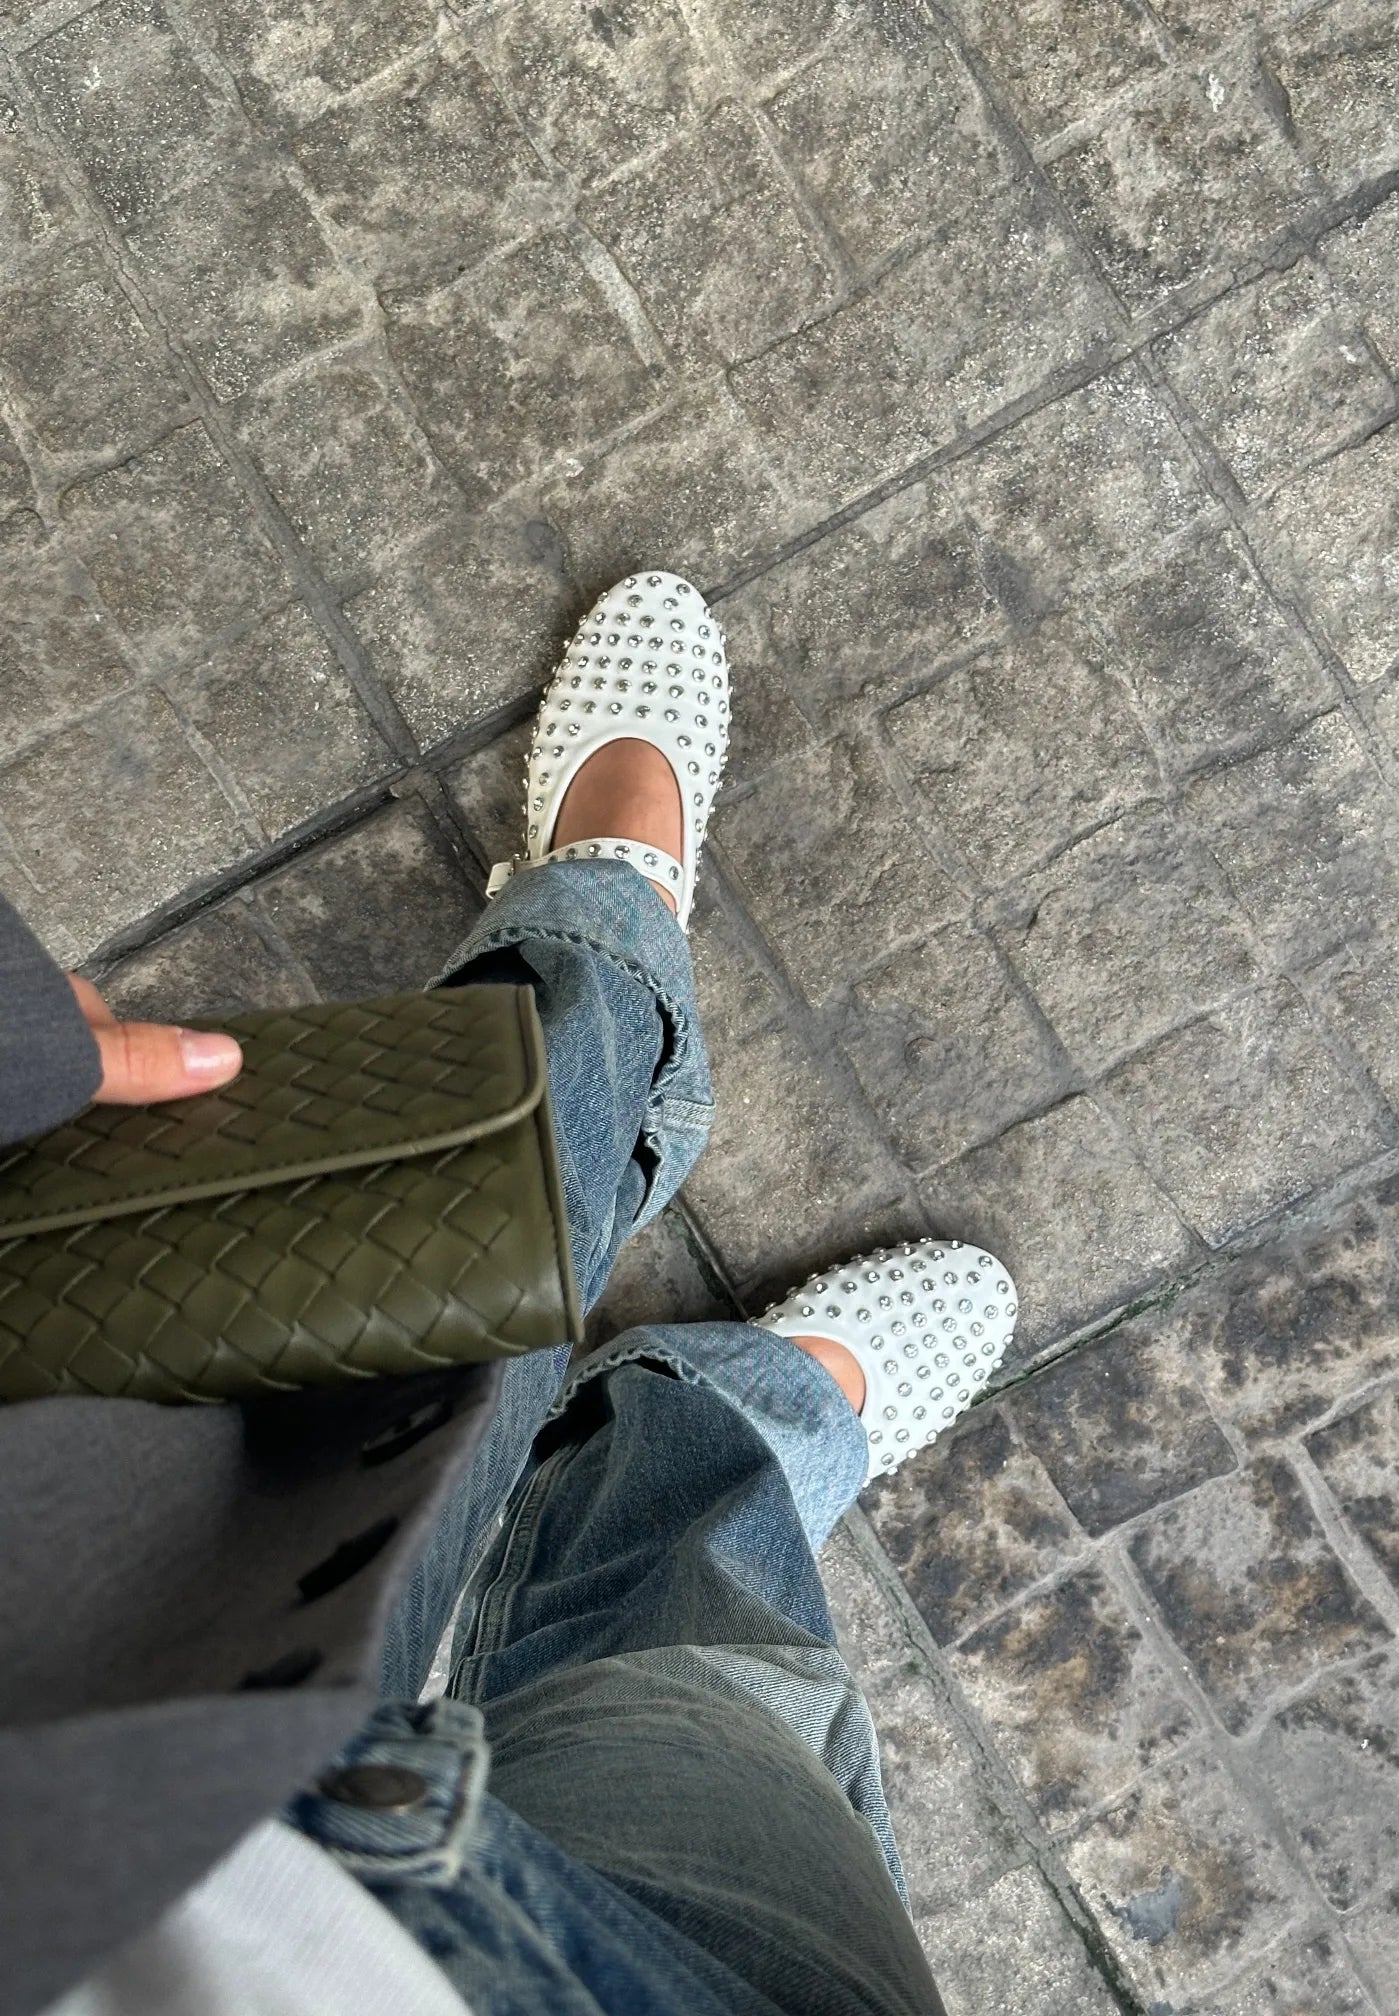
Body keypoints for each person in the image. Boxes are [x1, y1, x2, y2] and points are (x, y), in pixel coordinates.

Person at [1, 572, 1017, 2016]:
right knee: (708, 1680)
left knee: (419, 1277)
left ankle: (601, 938)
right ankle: (714, 1427)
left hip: (109, 1735)